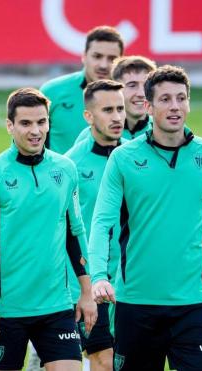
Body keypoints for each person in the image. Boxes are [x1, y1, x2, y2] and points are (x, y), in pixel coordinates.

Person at [89, 65, 202, 371]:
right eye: (165, 99)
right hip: (136, 305)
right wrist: (99, 275)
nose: (175, 106)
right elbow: (103, 222)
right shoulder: (123, 158)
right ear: (149, 107)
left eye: (181, 98)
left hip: (192, 305)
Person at [0, 87, 97, 371]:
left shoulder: (65, 169)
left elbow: (75, 232)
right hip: (7, 309)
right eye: (26, 123)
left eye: (41, 122)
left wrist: (86, 292)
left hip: (56, 306)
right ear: (9, 126)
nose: (35, 131)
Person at [65, 80, 127, 371]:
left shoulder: (136, 157)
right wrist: (79, 286)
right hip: (90, 280)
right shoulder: (70, 165)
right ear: (89, 116)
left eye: (120, 108)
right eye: (107, 110)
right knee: (102, 360)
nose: (116, 117)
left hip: (132, 279)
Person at [41, 26, 124, 153]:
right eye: (97, 56)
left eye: (112, 59)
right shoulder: (52, 91)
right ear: (84, 56)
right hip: (61, 173)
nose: (103, 65)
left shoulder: (130, 96)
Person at [74, 56, 156, 144]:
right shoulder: (90, 135)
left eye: (146, 86)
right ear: (116, 89)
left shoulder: (162, 131)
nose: (141, 93)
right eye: (132, 85)